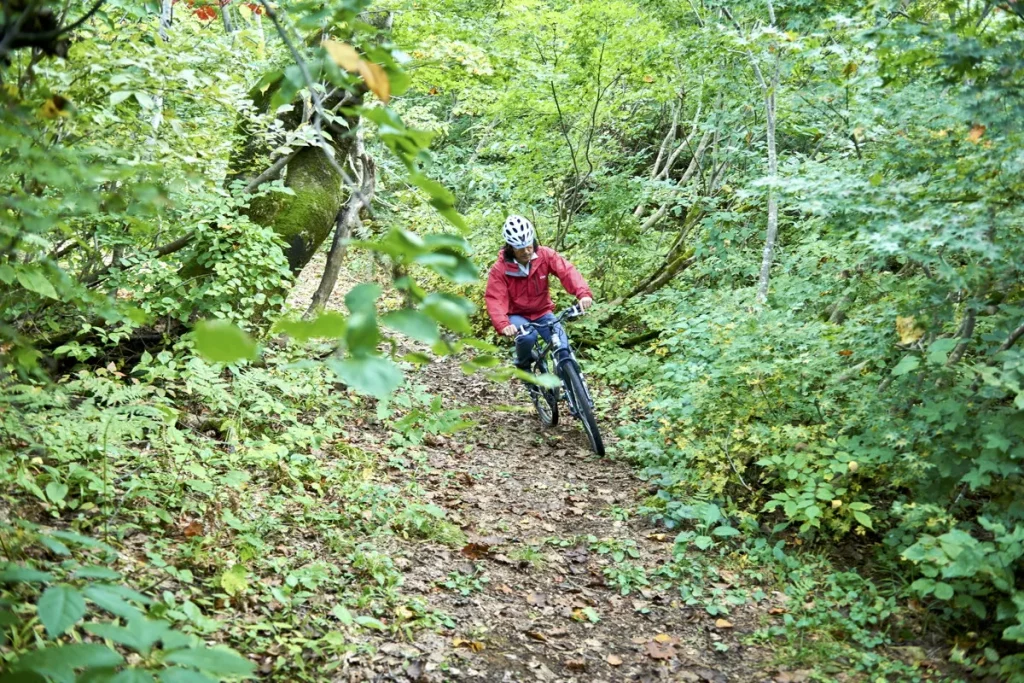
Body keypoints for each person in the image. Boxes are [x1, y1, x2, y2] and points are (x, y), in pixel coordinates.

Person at [484, 215, 594, 371]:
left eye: (528, 246)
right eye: (520, 248)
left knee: (562, 346)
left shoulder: (545, 255)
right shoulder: (500, 269)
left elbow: (567, 272)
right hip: (517, 315)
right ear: (510, 247)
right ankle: (523, 365)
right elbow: (495, 298)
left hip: (542, 312)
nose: (526, 251)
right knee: (527, 336)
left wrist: (583, 293)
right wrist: (504, 324)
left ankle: (573, 383)